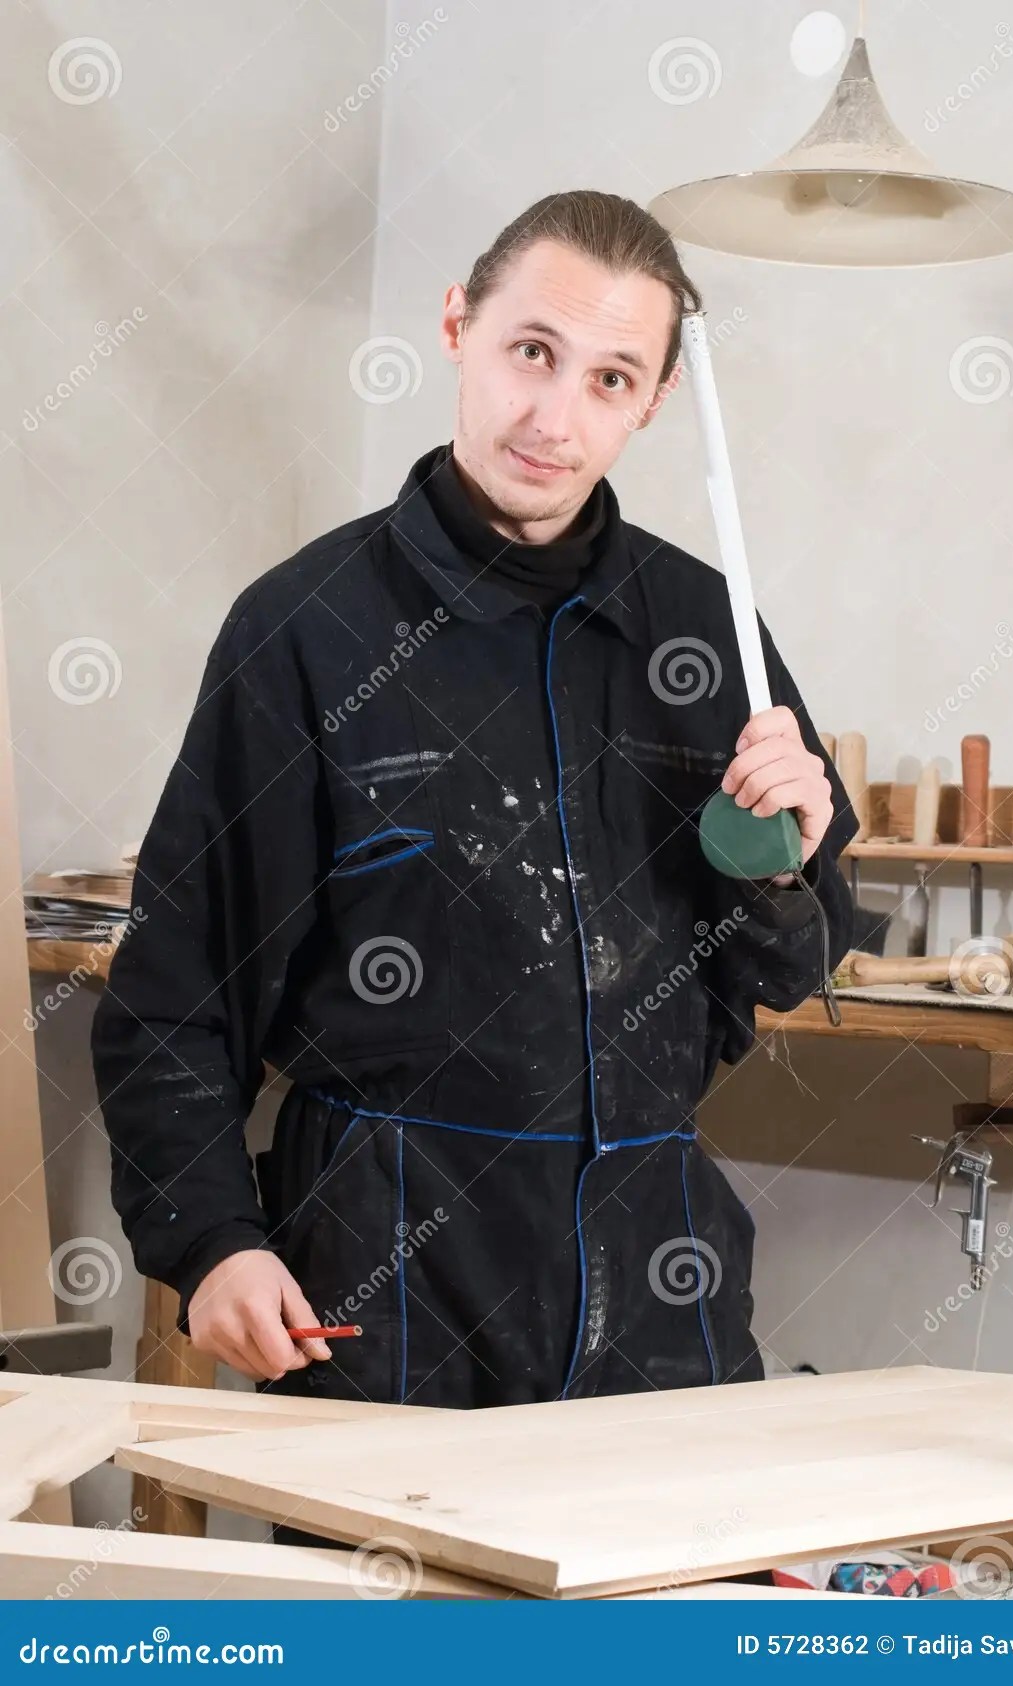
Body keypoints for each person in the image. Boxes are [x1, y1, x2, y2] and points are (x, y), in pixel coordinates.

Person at [91, 189, 858, 1427]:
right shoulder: (308, 629)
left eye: (611, 378)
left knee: (658, 1620)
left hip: (663, 1286)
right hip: (393, 1284)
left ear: (655, 400)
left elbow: (789, 966)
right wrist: (212, 1240)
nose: (555, 417)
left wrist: (786, 867)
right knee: (415, 1626)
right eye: (533, 352)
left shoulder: (709, 636)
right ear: (458, 325)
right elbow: (176, 988)